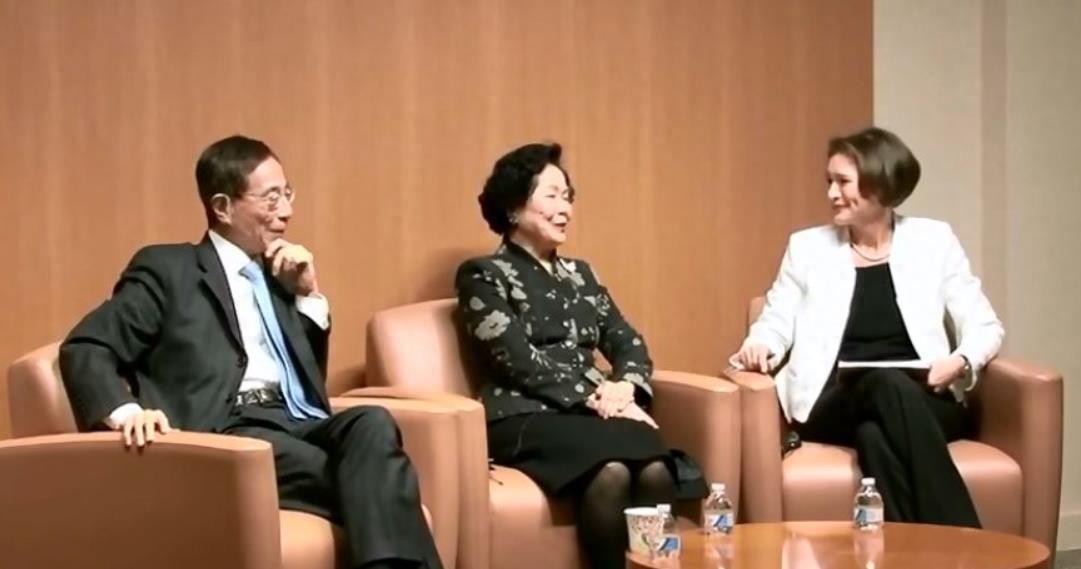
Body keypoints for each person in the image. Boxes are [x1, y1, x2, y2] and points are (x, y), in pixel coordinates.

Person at [59, 135, 442, 569]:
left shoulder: (279, 274)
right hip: (227, 427)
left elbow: (307, 381)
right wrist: (127, 412)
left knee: (371, 422)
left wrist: (307, 296)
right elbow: (87, 345)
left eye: (288, 193)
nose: (287, 211)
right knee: (376, 479)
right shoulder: (169, 269)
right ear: (223, 207)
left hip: (292, 420)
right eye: (271, 197)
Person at [731, 126, 1003, 527]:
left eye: (843, 182)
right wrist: (760, 344)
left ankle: (915, 551)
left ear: (880, 184)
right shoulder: (807, 248)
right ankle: (970, 541)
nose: (831, 193)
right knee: (884, 383)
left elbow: (985, 325)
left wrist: (960, 361)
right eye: (829, 181)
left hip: (923, 397)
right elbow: (776, 318)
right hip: (835, 400)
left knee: (875, 437)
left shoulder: (934, 241)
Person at [455, 142, 692, 569]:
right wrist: (595, 395)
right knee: (611, 470)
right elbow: (517, 360)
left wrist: (624, 387)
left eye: (568, 197)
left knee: (655, 466)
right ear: (513, 207)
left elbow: (627, 341)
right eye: (552, 195)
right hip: (524, 412)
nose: (565, 208)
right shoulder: (483, 275)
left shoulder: (582, 275)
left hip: (595, 411)